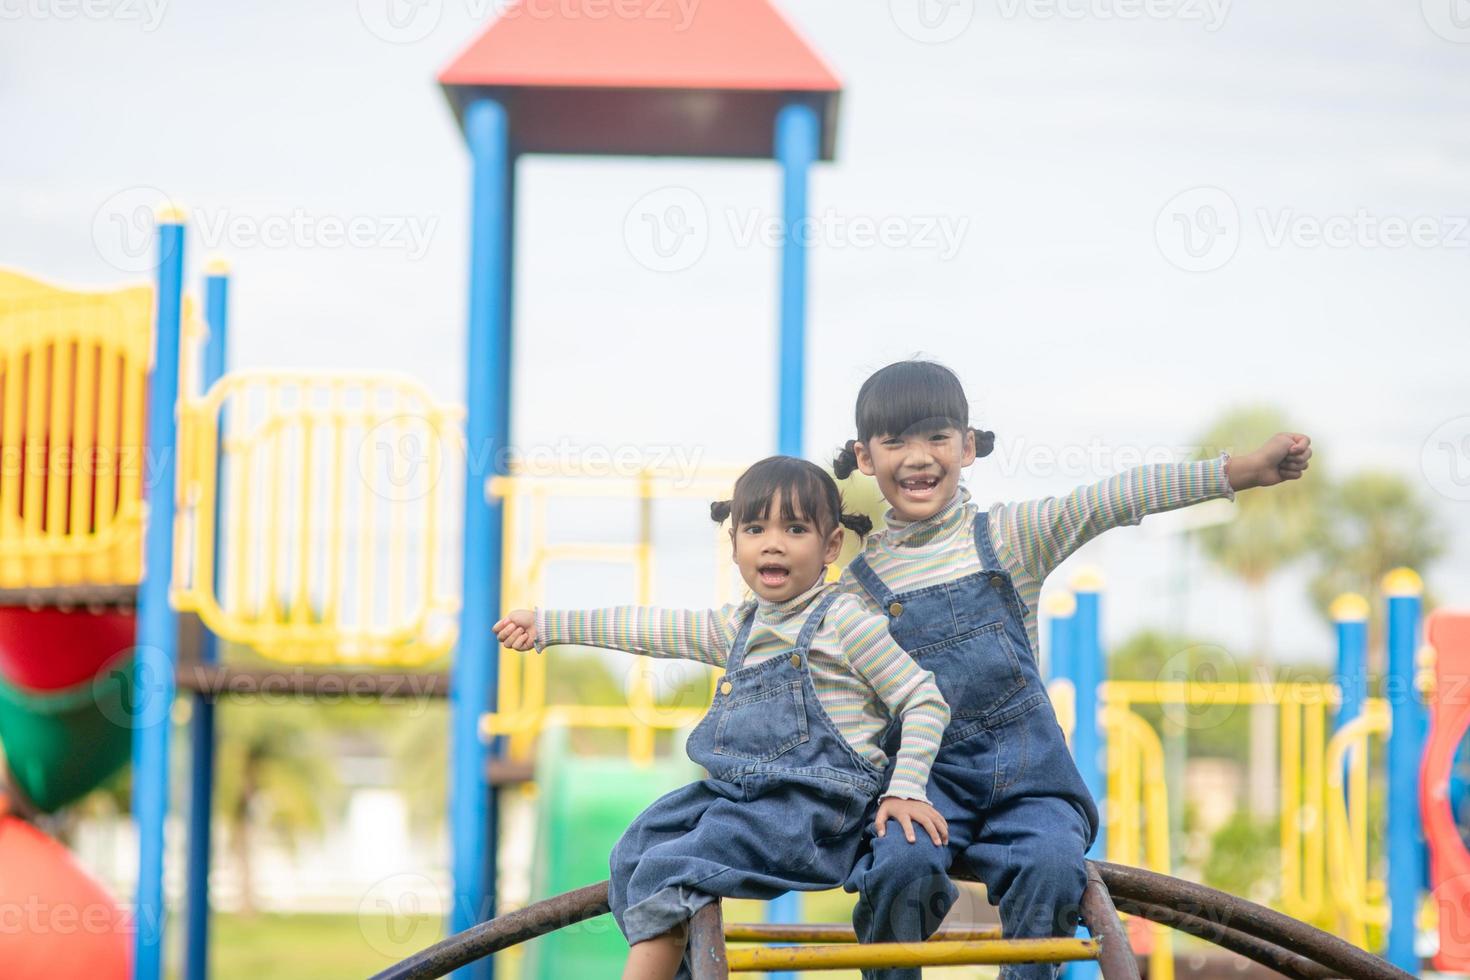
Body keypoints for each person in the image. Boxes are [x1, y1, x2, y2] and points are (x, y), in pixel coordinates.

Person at [834, 359, 1312, 980]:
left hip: (1027, 781)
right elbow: (843, 705)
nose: (918, 457)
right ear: (865, 457)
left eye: (937, 438)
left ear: (968, 445)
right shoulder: (855, 592)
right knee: (898, 864)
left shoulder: (1010, 536)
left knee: (1053, 866)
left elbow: (1117, 497)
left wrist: (1239, 472)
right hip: (926, 783)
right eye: (895, 441)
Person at [494, 455, 954, 980]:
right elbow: (648, 628)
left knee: (673, 868)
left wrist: (906, 788)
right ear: (734, 543)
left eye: (795, 528)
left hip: (815, 808)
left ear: (830, 547)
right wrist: (551, 624)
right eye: (755, 529)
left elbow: (922, 698)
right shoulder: (736, 628)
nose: (772, 543)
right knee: (634, 851)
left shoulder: (846, 622)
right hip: (741, 797)